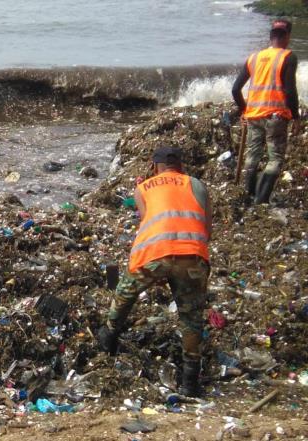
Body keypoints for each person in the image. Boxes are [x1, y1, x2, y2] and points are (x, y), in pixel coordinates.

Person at [97, 147, 212, 397]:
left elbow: (148, 221)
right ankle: (190, 381)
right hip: (192, 255)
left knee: (125, 293)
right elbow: (206, 229)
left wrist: (160, 269)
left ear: (155, 166)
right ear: (180, 166)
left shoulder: (143, 188)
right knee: (191, 317)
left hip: (153, 253)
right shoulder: (197, 185)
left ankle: (108, 337)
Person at [231, 19, 300, 205]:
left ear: (271, 37)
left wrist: (244, 110)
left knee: (252, 155)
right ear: (287, 37)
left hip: (254, 116)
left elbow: (235, 89)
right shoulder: (288, 57)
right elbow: (289, 91)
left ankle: (249, 194)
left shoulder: (254, 58)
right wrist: (296, 115)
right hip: (276, 117)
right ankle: (260, 202)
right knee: (275, 158)